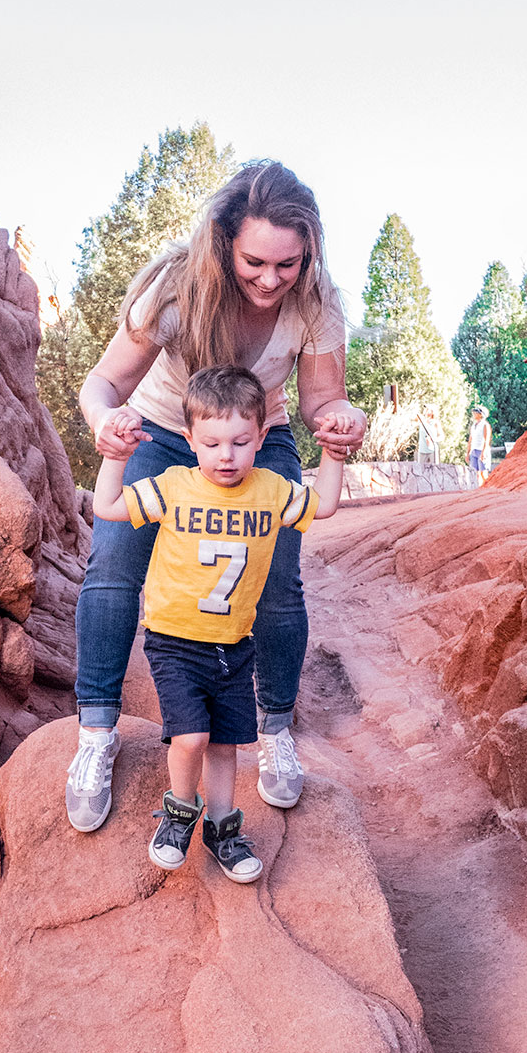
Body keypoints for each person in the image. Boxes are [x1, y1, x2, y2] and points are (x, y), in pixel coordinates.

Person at [66, 160, 366, 833]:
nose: (270, 279)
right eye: (255, 261)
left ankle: (277, 731)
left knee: (279, 579)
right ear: (226, 241)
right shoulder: (175, 287)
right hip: (163, 433)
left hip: (261, 438)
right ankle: (95, 736)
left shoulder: (316, 302)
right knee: (114, 566)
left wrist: (342, 419)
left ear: (308, 253)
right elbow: (102, 384)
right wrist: (105, 428)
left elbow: (322, 398)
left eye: (288, 265)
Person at [92, 365, 350, 881]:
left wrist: (333, 454)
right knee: (191, 738)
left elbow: (323, 508)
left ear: (261, 438)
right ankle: (178, 813)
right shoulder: (173, 485)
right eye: (211, 443)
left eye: (239, 442)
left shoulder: (272, 489)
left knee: (227, 744)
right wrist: (116, 459)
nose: (226, 455)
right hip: (175, 640)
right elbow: (108, 505)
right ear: (189, 440)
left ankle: (223, 828)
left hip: (234, 643)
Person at [467, 404, 492, 485]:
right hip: (474, 450)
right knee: (475, 473)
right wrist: (468, 453)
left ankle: (487, 489)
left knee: (483, 473)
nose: (474, 414)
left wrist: (483, 452)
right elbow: (470, 440)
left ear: (481, 414)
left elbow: (486, 439)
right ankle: (478, 489)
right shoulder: (473, 426)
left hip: (481, 450)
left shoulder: (485, 425)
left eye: (476, 412)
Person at [416, 400, 442, 465]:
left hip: (432, 450)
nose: (426, 410)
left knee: (434, 469)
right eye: (426, 409)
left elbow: (441, 436)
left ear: (432, 412)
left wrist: (434, 439)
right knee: (420, 470)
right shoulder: (421, 421)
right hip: (422, 450)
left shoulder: (435, 422)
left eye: (428, 409)